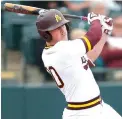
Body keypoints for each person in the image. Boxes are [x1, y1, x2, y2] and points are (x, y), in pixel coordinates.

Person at [36, 9, 122, 119]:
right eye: (56, 29)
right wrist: (95, 20)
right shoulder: (62, 50)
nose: (63, 30)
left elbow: (91, 56)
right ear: (46, 34)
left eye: (63, 25)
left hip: (98, 107)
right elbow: (93, 36)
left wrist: (105, 31)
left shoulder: (59, 50)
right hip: (83, 113)